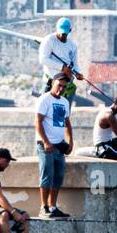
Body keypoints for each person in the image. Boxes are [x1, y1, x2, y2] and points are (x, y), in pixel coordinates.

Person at [35, 75, 73, 218]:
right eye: (59, 85)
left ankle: (53, 206)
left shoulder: (65, 102)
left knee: (58, 176)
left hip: (59, 145)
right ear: (52, 84)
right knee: (47, 175)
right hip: (46, 145)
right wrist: (46, 142)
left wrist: (70, 142)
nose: (61, 89)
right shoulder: (44, 99)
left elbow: (67, 123)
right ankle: (43, 206)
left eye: (64, 86)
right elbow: (38, 122)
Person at [39, 17, 85, 101]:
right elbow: (43, 59)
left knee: (64, 110)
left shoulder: (72, 45)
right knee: (44, 107)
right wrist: (62, 68)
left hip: (65, 84)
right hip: (50, 81)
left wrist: (78, 73)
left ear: (70, 31)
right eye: (61, 32)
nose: (62, 35)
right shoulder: (49, 40)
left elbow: (75, 63)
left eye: (65, 33)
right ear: (57, 29)